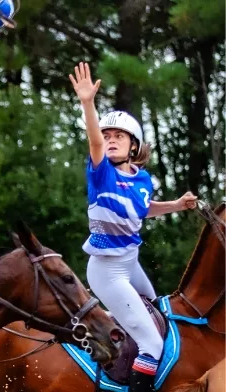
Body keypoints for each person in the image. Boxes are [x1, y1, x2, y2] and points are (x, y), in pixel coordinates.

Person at [69, 62, 198, 392]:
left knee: (158, 314)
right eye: (107, 136)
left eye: (119, 136)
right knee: (152, 345)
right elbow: (94, 144)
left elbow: (141, 210)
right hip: (107, 271)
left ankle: (120, 348)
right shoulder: (101, 173)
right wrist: (87, 103)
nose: (109, 140)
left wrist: (175, 206)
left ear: (135, 146)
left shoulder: (142, 179)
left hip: (130, 264)